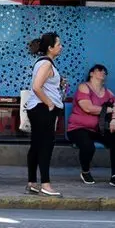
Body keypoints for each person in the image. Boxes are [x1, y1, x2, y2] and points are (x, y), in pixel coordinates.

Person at [67, 64, 115, 187]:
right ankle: (85, 171)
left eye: (105, 71)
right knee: (88, 146)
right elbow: (88, 108)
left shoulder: (108, 92)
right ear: (91, 73)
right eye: (99, 70)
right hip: (78, 128)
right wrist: (109, 111)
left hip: (99, 129)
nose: (103, 72)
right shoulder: (84, 87)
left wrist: (114, 119)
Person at [25, 32, 66, 197]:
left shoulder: (45, 63)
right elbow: (36, 87)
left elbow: (43, 84)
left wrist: (59, 82)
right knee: (45, 146)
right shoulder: (46, 64)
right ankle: (46, 184)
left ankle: (32, 182)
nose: (61, 47)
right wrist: (50, 103)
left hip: (38, 108)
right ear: (50, 48)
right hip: (43, 109)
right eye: (58, 44)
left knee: (36, 145)